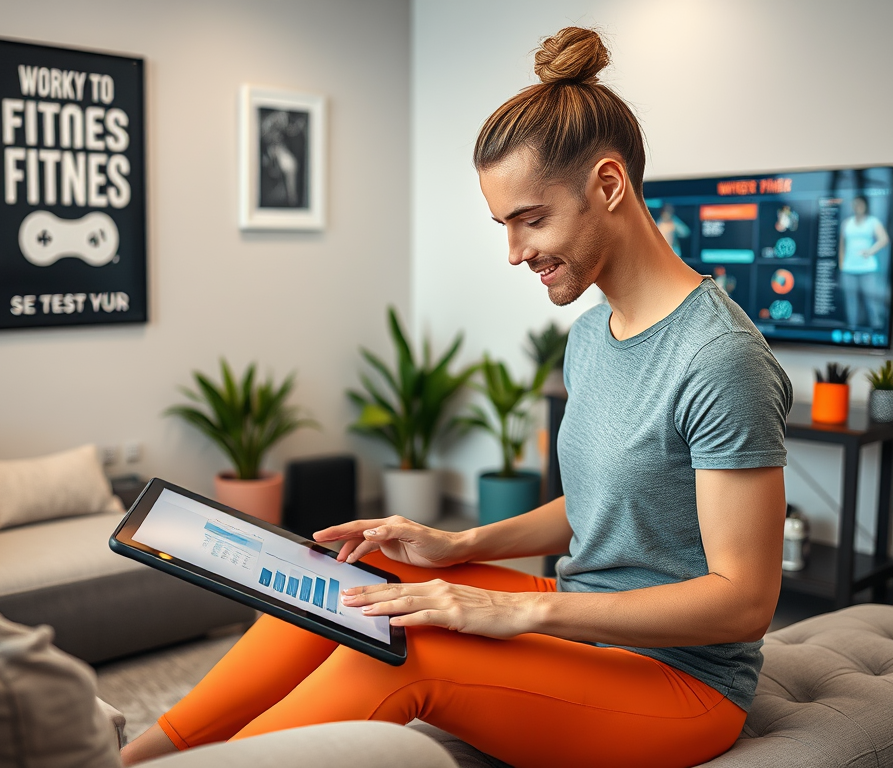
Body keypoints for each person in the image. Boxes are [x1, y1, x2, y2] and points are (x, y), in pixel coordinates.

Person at [122, 27, 792, 768]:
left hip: (681, 680)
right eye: (504, 224)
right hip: (588, 626)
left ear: (608, 185)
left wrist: (512, 608)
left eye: (530, 219)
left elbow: (744, 601)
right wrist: (459, 545)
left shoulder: (719, 358)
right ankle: (136, 755)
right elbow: (613, 505)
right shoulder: (594, 335)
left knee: (408, 652)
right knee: (349, 580)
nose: (514, 252)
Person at [839, 195, 889, 329]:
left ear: (865, 206)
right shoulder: (847, 223)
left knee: (871, 301)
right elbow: (842, 245)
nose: (857, 207)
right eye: (855, 204)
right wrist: (841, 264)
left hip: (867, 269)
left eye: (860, 204)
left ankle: (877, 328)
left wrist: (871, 251)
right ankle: (852, 330)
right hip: (849, 269)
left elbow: (884, 239)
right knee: (851, 303)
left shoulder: (873, 222)